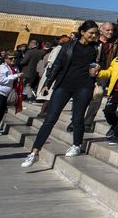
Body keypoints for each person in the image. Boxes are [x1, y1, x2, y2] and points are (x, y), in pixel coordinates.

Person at [22, 21, 103, 167]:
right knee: (50, 118)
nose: (94, 35)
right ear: (82, 32)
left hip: (84, 86)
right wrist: (48, 83)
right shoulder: (67, 47)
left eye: (96, 33)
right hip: (64, 85)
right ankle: (34, 152)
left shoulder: (96, 49)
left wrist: (96, 70)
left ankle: (76, 144)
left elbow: (97, 66)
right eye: (91, 32)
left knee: (78, 117)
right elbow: (57, 65)